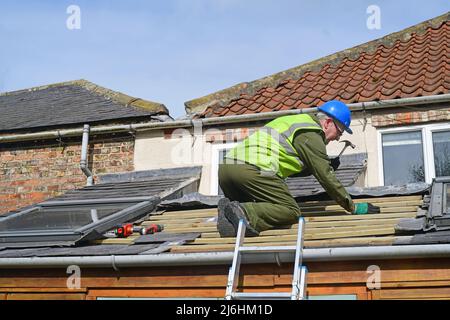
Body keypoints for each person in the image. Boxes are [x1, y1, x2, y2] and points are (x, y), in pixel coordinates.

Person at [217, 100, 379, 237]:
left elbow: (289, 164)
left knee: (254, 213)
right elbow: (325, 176)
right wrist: (352, 206)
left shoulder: (295, 122)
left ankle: (229, 215)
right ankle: (243, 212)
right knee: (289, 210)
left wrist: (317, 165)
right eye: (340, 131)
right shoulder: (312, 133)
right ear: (328, 122)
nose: (338, 138)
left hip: (227, 169)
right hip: (252, 170)